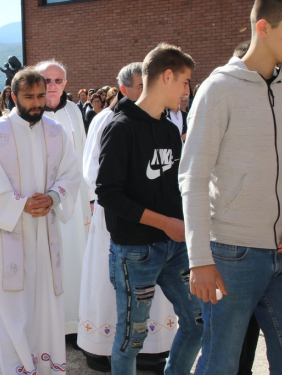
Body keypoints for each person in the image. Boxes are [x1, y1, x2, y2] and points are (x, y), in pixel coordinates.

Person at [179, 1, 282, 373]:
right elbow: (192, 176)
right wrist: (199, 259)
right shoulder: (218, 89)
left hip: (280, 251)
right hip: (230, 256)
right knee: (221, 362)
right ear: (264, 28)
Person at [96, 43, 202, 375]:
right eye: (184, 81)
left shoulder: (170, 129)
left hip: (174, 249)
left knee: (197, 322)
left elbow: (174, 187)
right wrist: (165, 223)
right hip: (135, 253)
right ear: (167, 76)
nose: (187, 91)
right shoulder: (121, 127)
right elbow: (107, 193)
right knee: (131, 339)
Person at [0, 68, 81, 374]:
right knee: (13, 309)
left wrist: (54, 197)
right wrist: (20, 205)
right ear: (13, 96)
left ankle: (46, 368)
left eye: (41, 96)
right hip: (9, 237)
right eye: (29, 97)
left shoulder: (56, 131)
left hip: (45, 235)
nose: (36, 103)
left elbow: (72, 173)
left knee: (45, 305)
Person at [79, 62, 177, 374]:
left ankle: (154, 347)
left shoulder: (164, 120)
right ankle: (102, 348)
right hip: (118, 220)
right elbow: (92, 169)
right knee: (114, 292)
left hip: (155, 224)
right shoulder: (108, 120)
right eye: (138, 87)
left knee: (152, 293)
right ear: (124, 89)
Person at [35, 59, 92, 351]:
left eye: (58, 80)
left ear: (66, 84)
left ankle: (73, 324)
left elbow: (82, 157)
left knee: (74, 260)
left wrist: (87, 198)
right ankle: (49, 324)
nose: (52, 86)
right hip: (42, 202)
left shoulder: (74, 112)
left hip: (73, 200)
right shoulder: (29, 114)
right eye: (46, 80)